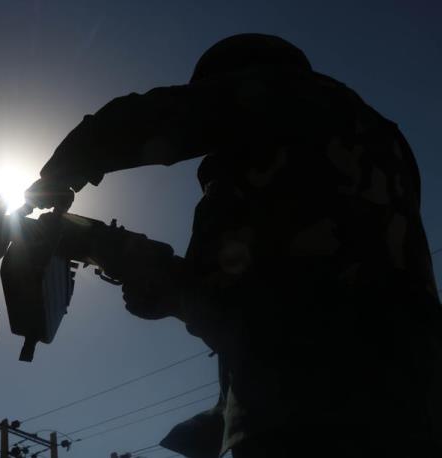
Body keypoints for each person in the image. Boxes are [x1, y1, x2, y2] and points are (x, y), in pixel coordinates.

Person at [25, 34, 442, 457]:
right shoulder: (372, 149)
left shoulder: (288, 95)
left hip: (307, 393)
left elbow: (149, 119)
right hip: (414, 388)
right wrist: (147, 275)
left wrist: (59, 173)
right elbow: (248, 295)